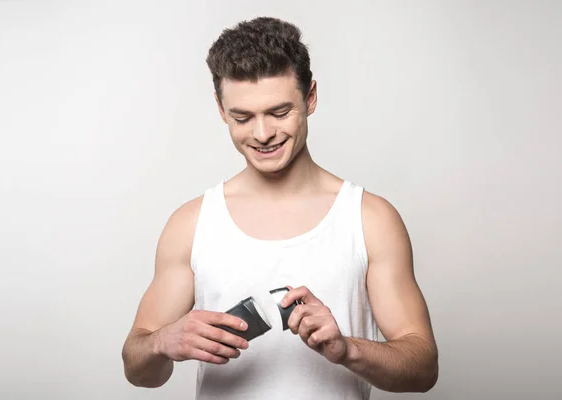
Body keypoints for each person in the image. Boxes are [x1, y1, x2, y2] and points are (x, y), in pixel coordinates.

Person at [121, 16, 438, 399]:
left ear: (310, 98)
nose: (262, 133)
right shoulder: (191, 223)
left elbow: (422, 369)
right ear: (221, 110)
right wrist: (161, 342)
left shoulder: (368, 218)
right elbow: (140, 371)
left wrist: (347, 349)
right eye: (243, 117)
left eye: (279, 112)